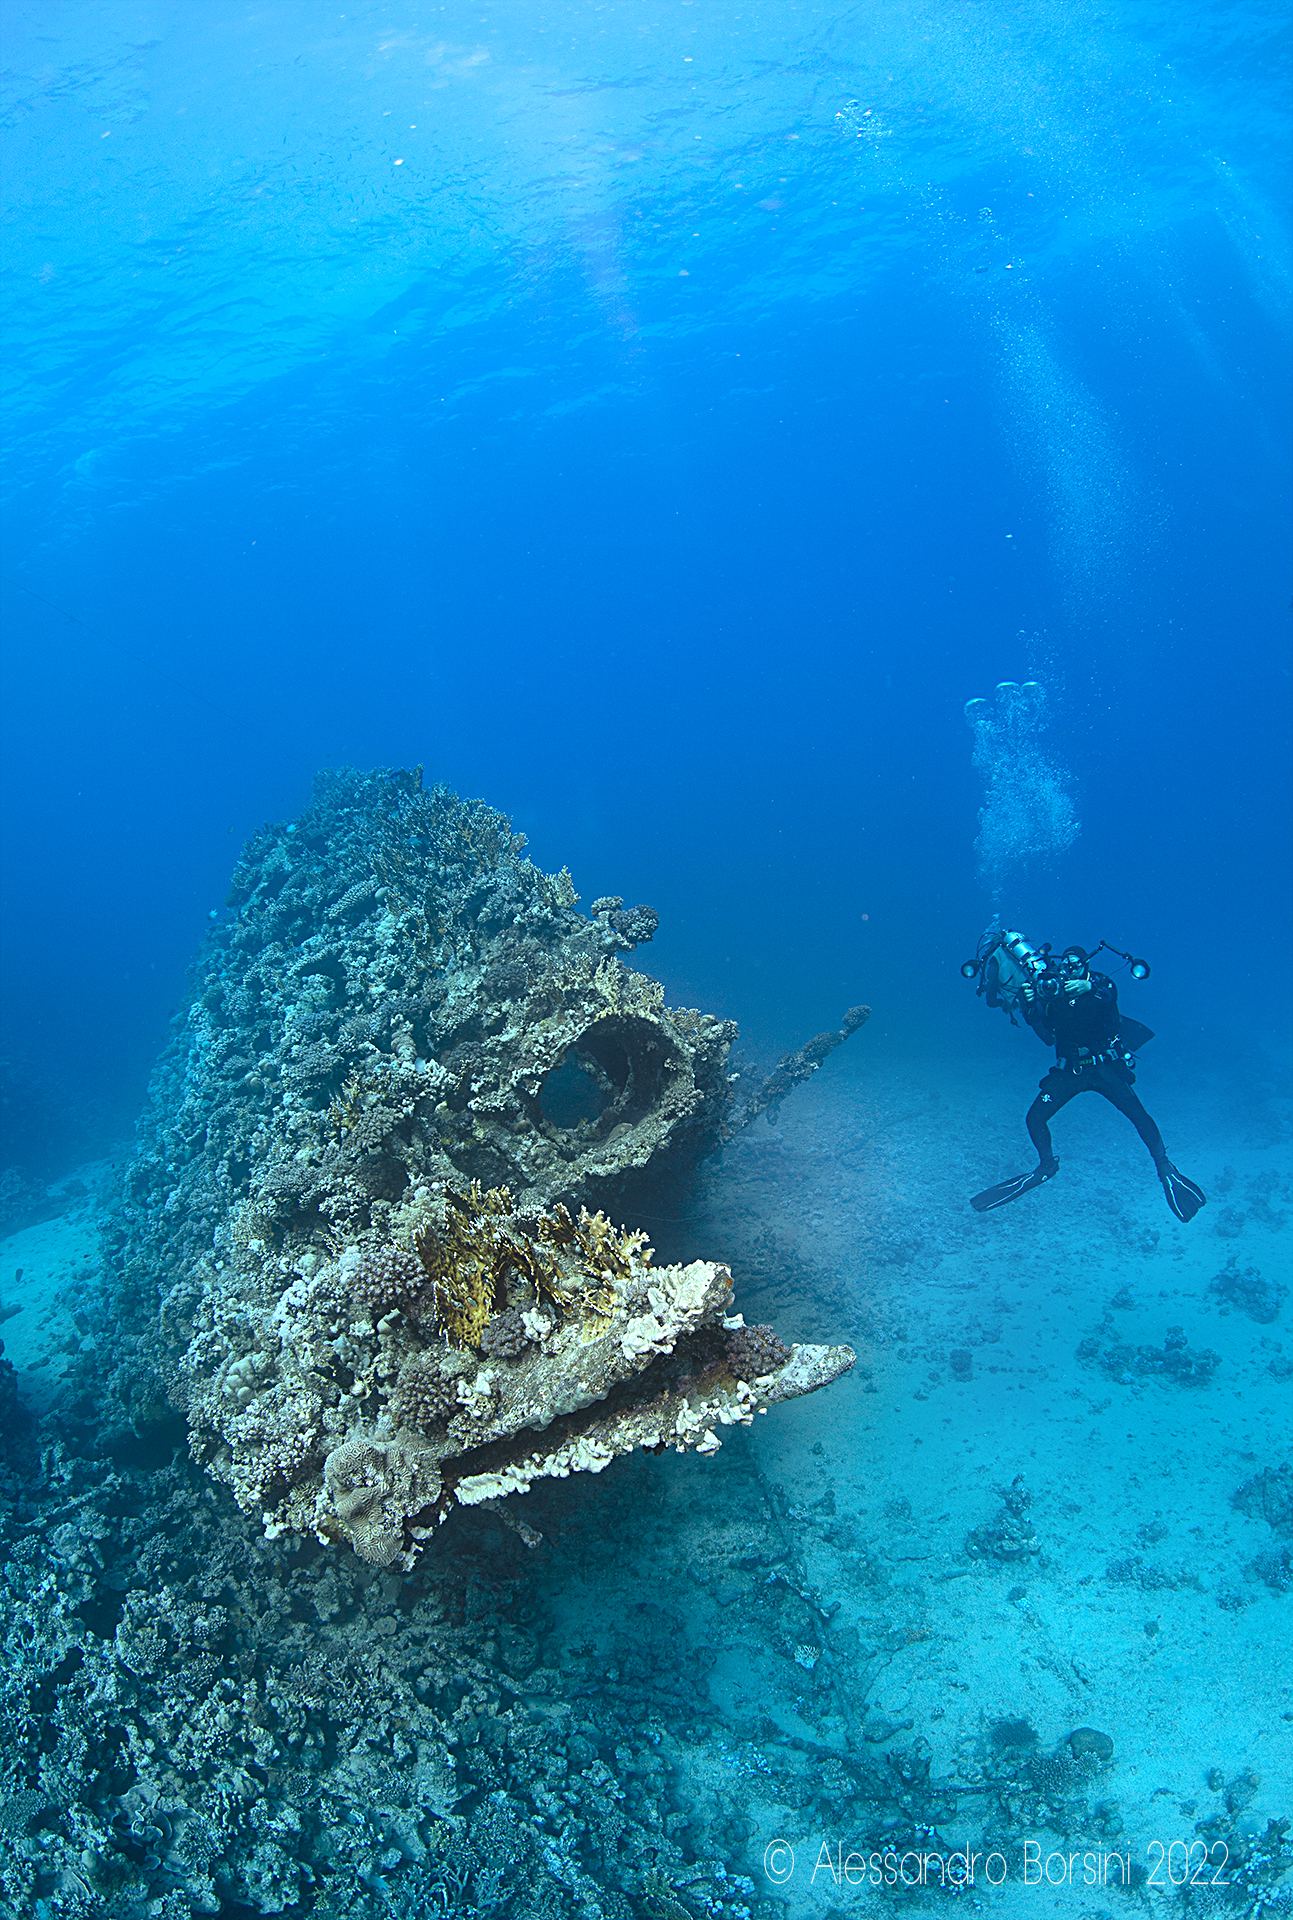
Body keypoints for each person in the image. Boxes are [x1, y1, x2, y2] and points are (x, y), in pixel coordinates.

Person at [964, 934, 1206, 1221]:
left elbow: (1110, 992)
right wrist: (1029, 1005)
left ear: (1086, 966)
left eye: (1076, 964)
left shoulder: (1099, 985)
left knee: (1139, 1116)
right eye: (1066, 964)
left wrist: (1090, 986)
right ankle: (1046, 1166)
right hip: (1069, 1071)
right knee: (1034, 1118)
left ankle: (1164, 1166)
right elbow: (1044, 1033)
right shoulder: (1052, 990)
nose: (1070, 969)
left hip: (1104, 1069)